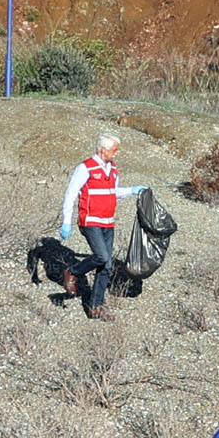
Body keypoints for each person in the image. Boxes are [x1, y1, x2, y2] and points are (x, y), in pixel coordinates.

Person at [56, 133, 145, 322]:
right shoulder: (85, 168)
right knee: (102, 256)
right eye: (114, 150)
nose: (116, 154)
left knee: (106, 266)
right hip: (90, 221)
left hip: (108, 222)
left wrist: (132, 190)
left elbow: (113, 192)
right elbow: (71, 194)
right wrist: (67, 220)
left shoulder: (112, 169)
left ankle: (95, 307)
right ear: (103, 150)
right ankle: (73, 272)